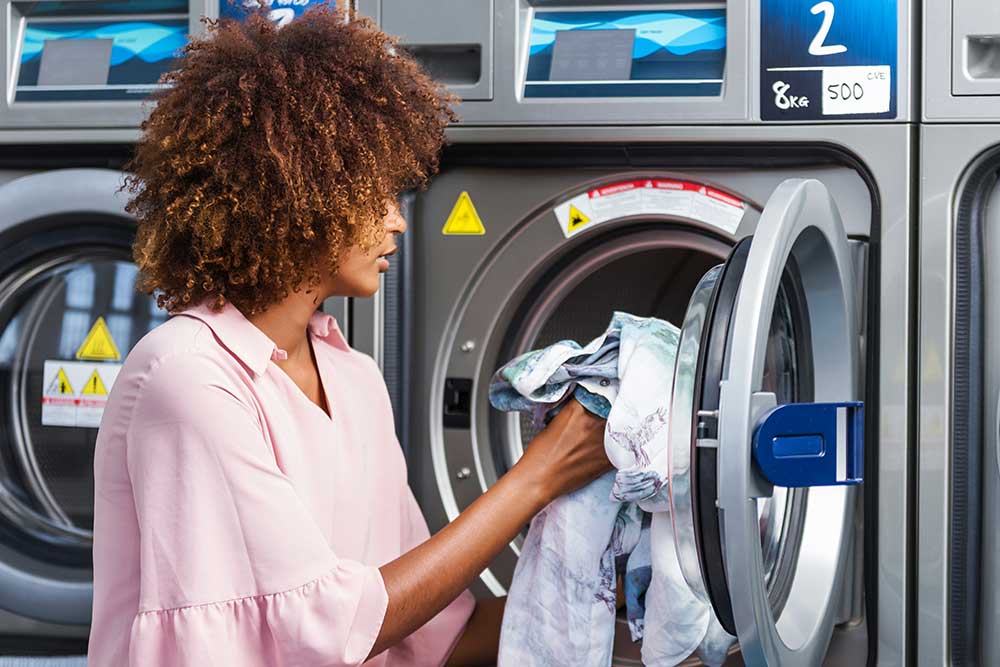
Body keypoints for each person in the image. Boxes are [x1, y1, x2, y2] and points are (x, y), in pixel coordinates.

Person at [87, 6, 611, 666]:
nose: (396, 220)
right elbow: (334, 626)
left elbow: (436, 635)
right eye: (373, 193)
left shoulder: (354, 377)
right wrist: (539, 476)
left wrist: (640, 631)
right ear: (292, 193)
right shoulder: (189, 375)